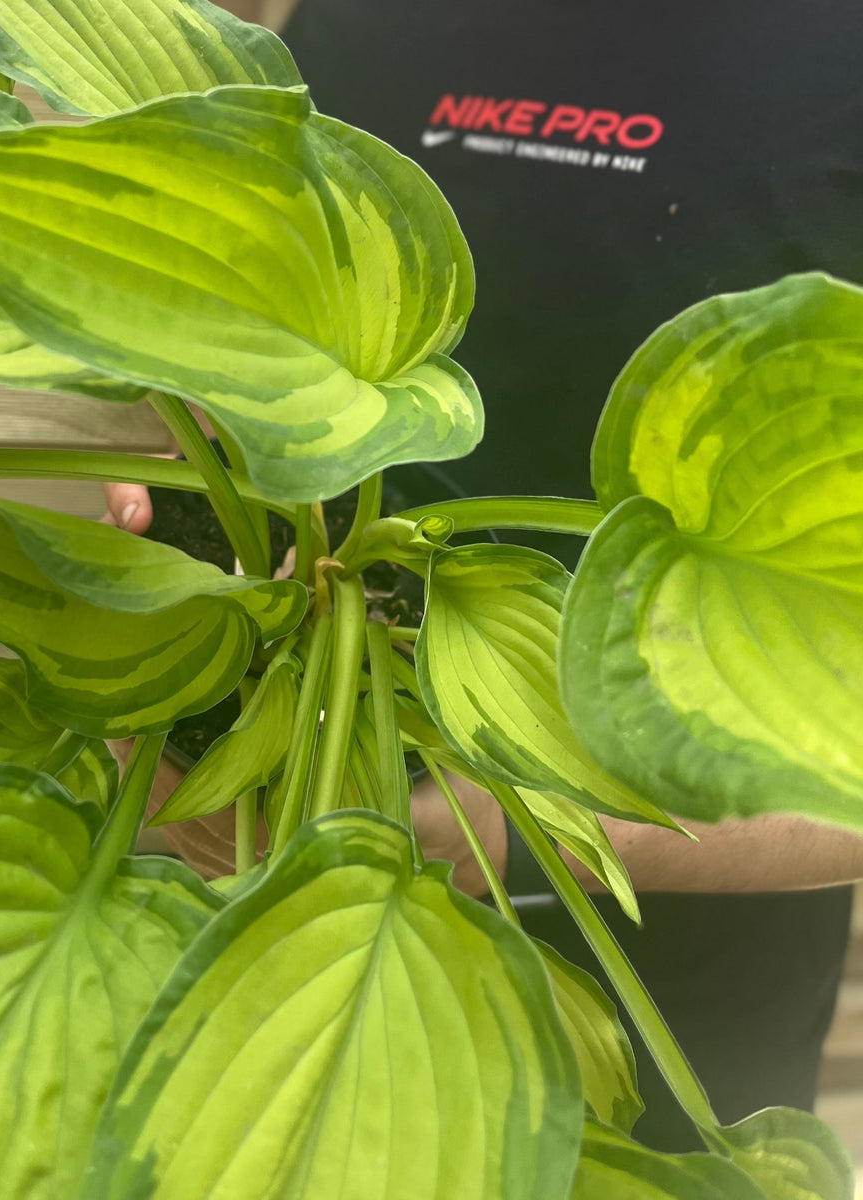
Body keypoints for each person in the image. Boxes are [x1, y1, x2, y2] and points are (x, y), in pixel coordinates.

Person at [104, 0, 863, 1153]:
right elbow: (246, 383)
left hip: (674, 1002)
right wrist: (172, 595)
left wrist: (528, 828)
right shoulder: (353, 24)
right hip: (279, 899)